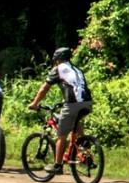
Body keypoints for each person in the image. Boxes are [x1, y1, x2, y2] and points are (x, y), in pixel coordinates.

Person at [26, 47, 93, 175]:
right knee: (78, 130)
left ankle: (57, 166)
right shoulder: (77, 69)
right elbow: (77, 87)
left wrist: (35, 103)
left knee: (61, 136)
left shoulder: (57, 69)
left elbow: (44, 89)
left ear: (57, 59)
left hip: (73, 105)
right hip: (87, 104)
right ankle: (86, 156)